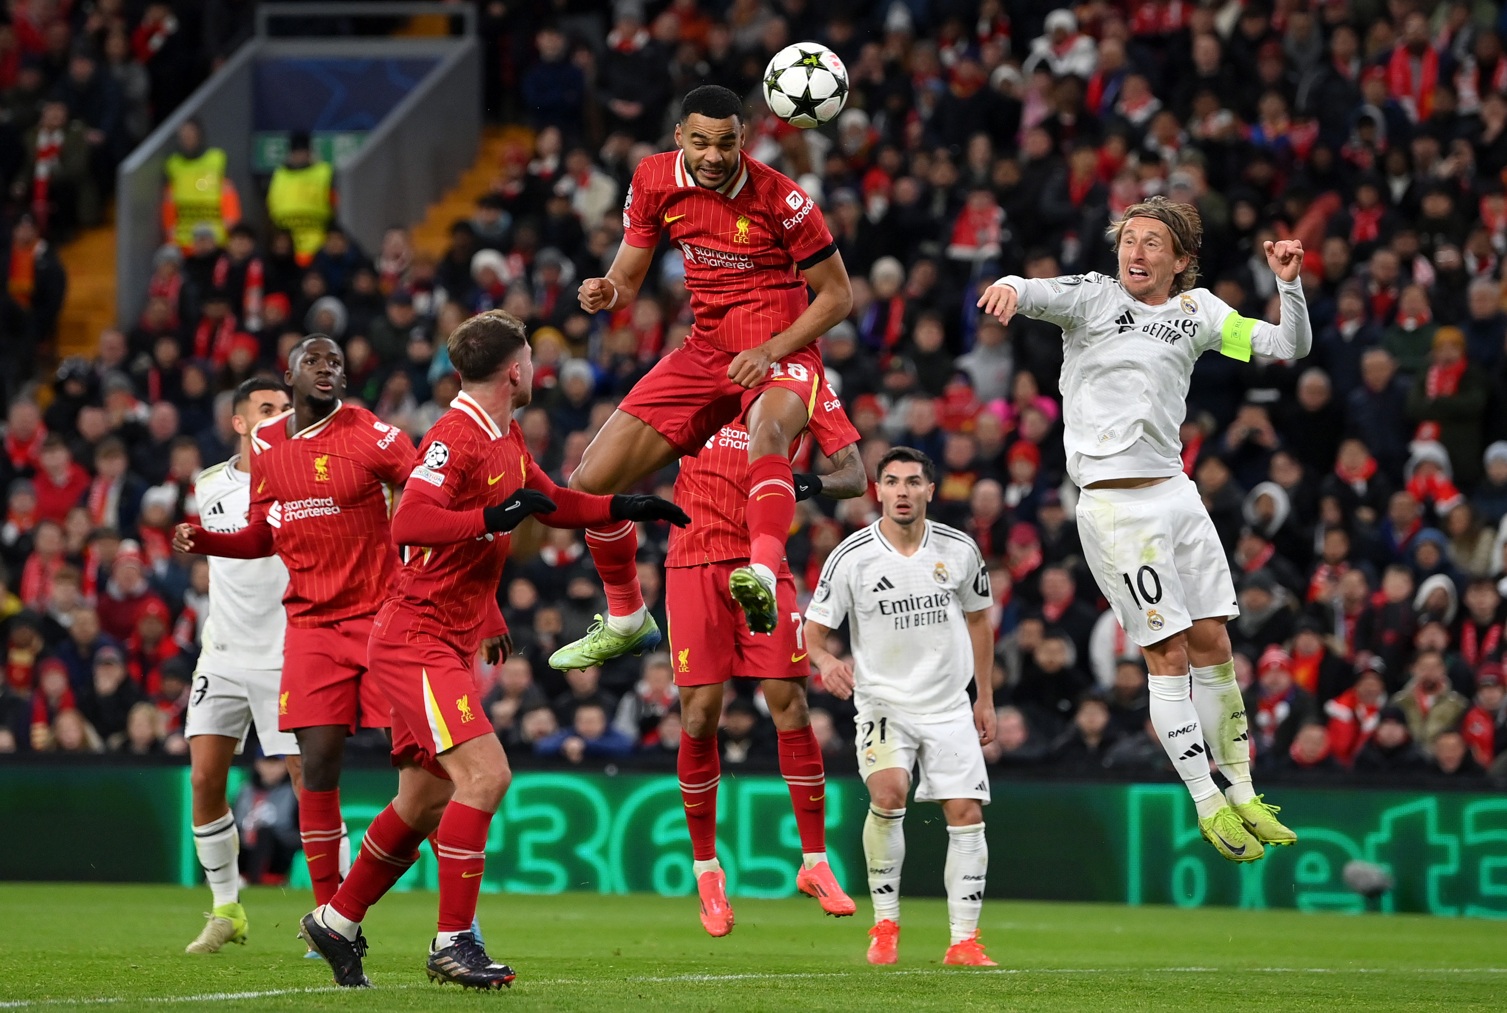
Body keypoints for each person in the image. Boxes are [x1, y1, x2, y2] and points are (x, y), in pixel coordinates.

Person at [297, 310, 687, 988]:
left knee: (420, 801)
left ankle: (335, 921)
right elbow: (408, 520)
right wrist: (489, 518)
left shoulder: (500, 433)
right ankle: (453, 941)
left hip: (443, 636)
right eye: (531, 356)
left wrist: (626, 506)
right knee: (486, 776)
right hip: (417, 638)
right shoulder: (455, 435)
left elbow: (551, 501)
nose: (534, 366)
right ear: (514, 367)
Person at [977, 195, 1306, 862]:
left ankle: (1242, 789)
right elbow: (1029, 287)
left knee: (1214, 637)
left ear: (1180, 260)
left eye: (1153, 242)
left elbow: (1285, 346)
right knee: (1169, 653)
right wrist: (1006, 288)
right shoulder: (1093, 298)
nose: (1136, 250)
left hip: (1176, 494)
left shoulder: (1199, 312)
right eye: (1129, 238)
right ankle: (1206, 801)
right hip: (1114, 506)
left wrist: (1287, 283)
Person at [548, 84, 853, 671]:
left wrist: (771, 350)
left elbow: (838, 296)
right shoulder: (654, 178)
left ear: (744, 139)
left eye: (725, 143)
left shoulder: (783, 199)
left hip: (780, 350)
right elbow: (628, 277)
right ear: (679, 138)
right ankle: (627, 618)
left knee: (767, 433)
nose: (713, 155)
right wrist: (608, 291)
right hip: (705, 352)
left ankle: (759, 570)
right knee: (587, 485)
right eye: (700, 142)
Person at [173, 335, 414, 913]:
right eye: (314, 360)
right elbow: (261, 535)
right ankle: (327, 918)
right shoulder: (266, 448)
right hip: (306, 627)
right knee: (316, 769)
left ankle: (459, 915)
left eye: (336, 360)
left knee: (422, 768)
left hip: (381, 618)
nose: (326, 368)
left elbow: (423, 487)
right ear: (290, 377)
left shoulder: (369, 432)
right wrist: (203, 539)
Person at [668, 389, 866, 936]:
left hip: (764, 560)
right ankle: (707, 870)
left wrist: (805, 484)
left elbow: (854, 475)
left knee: (789, 700)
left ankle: (814, 862)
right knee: (699, 714)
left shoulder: (806, 386)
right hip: (693, 561)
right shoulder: (701, 374)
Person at [803, 447, 998, 968]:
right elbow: (813, 631)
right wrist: (824, 661)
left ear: (931, 491)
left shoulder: (959, 550)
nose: (903, 491)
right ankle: (885, 924)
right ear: (879, 491)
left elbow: (980, 622)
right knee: (889, 793)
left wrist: (985, 697)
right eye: (892, 482)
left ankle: (964, 942)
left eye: (913, 482)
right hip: (884, 701)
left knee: (966, 813)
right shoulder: (852, 556)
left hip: (949, 704)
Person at [182, 377, 312, 954]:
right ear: (240, 422)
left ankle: (332, 916)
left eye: (285, 408)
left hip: (287, 655)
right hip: (223, 654)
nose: (279, 415)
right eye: (267, 409)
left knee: (310, 787)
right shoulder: (207, 482)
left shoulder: (306, 478)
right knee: (206, 781)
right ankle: (226, 908)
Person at [161, 118, 240, 253]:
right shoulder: (173, 165)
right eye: (184, 137)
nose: (187, 140)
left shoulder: (216, 160)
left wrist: (230, 233)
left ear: (199, 136)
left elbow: (230, 199)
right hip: (183, 244)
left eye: (191, 135)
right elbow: (169, 205)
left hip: (216, 243)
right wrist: (172, 240)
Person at [265, 130, 333, 267]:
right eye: (296, 152)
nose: (299, 156)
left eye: (303, 152)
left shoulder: (324, 173)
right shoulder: (279, 176)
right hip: (285, 250)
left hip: (317, 248)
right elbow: (269, 209)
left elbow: (335, 206)